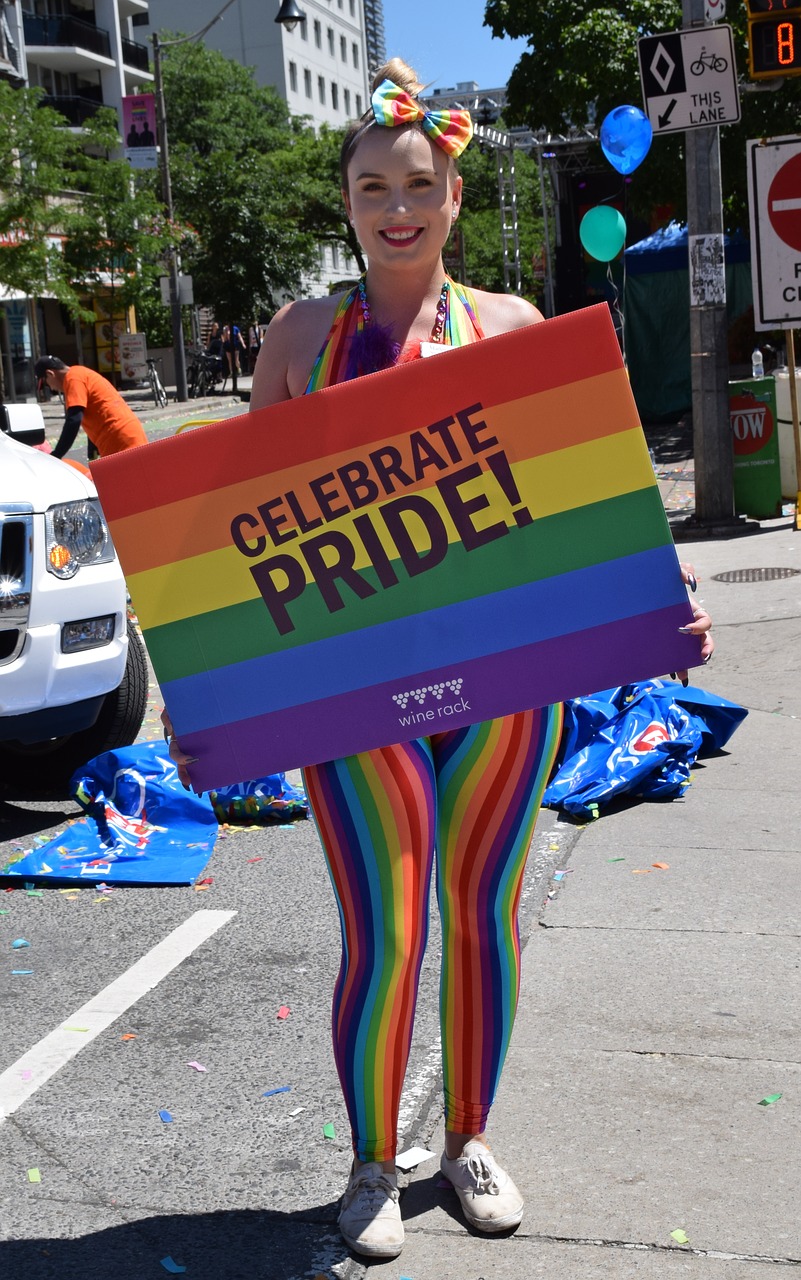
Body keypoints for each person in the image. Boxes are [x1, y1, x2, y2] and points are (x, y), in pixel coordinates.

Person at [164, 59, 714, 1262]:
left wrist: (660, 595)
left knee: (482, 915)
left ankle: (466, 1137)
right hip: (352, 691)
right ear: (347, 201)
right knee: (388, 929)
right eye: (374, 185)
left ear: (453, 197)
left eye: (419, 183)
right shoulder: (300, 338)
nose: (397, 204)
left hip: (508, 680)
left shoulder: (514, 327)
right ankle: (369, 1162)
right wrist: (199, 679)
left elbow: (590, 491)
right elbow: (239, 530)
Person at [34, 356, 147, 460]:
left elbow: (74, 419)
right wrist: (92, 447)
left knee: (123, 480)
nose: (52, 388)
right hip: (126, 433)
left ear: (50, 374)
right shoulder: (80, 373)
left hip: (118, 438)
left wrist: (56, 455)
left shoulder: (72, 379)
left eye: (46, 384)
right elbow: (96, 410)